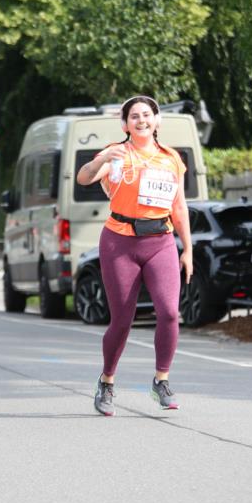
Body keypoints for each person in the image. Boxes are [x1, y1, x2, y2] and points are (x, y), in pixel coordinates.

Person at [76, 95, 193, 416]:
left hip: (160, 240)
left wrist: (188, 250)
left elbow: (179, 206)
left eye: (146, 115)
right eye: (134, 117)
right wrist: (100, 161)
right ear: (125, 124)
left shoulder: (172, 159)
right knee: (122, 319)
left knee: (169, 312)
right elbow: (84, 177)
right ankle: (107, 381)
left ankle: (161, 380)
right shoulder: (117, 153)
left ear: (157, 120)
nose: (141, 120)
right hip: (119, 242)